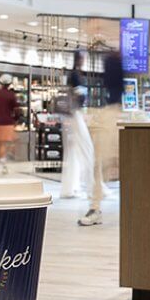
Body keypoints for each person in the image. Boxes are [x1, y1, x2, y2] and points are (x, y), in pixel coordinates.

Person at [79, 49, 124, 227]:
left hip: (108, 118)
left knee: (99, 164)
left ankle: (95, 208)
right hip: (107, 116)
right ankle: (95, 208)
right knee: (99, 165)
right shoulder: (110, 92)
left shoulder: (111, 79)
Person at [60, 51, 96, 201]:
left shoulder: (73, 74)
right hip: (75, 115)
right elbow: (79, 96)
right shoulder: (75, 75)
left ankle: (72, 187)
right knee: (87, 149)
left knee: (74, 151)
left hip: (73, 116)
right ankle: (90, 188)